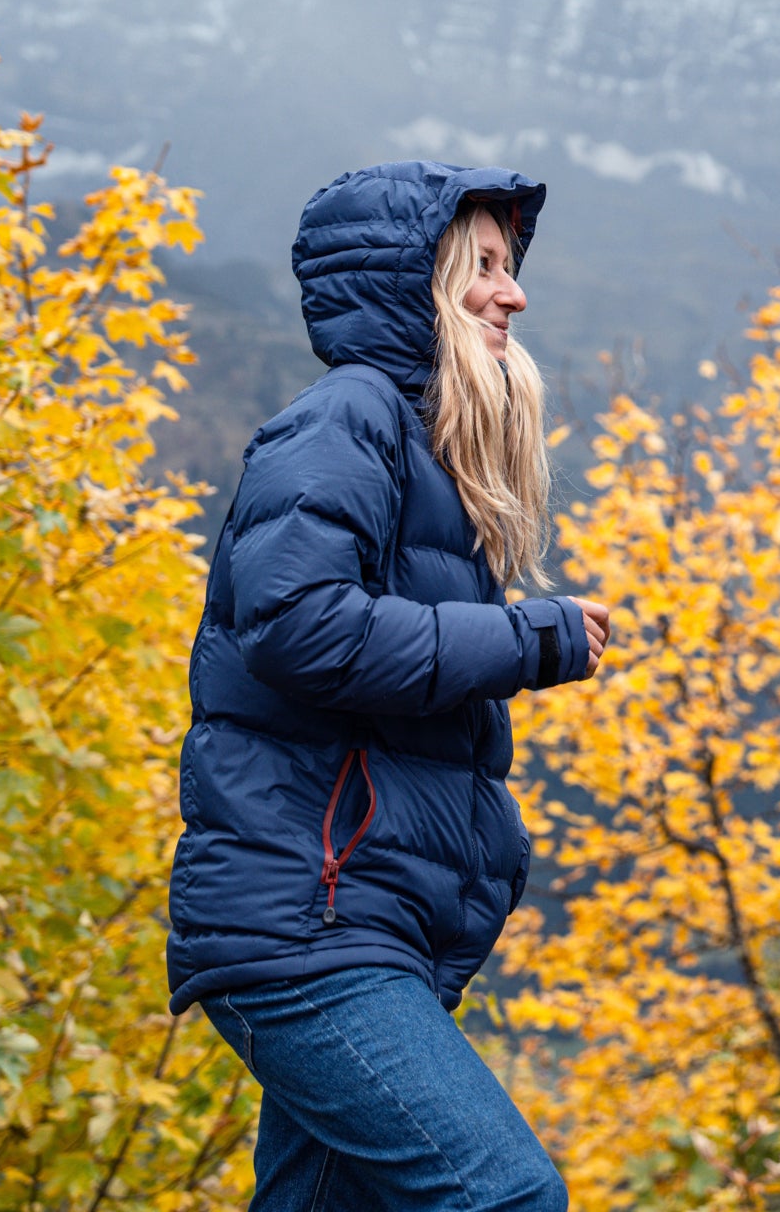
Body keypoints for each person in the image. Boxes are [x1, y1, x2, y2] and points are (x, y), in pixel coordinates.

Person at [166, 160, 612, 1210]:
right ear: (414, 282)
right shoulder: (346, 422)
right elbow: (299, 625)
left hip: (353, 924)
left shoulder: (416, 446)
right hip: (309, 932)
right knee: (504, 1194)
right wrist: (531, 638)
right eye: (485, 267)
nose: (514, 293)